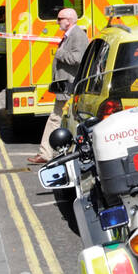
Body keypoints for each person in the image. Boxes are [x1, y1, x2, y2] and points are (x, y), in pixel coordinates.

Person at [29, 8, 90, 165]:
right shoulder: (70, 35)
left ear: (68, 20)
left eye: (59, 19)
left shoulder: (78, 35)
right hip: (65, 87)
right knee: (57, 119)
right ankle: (47, 153)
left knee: (59, 119)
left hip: (70, 87)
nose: (57, 22)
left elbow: (79, 58)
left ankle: (48, 153)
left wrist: (60, 53)